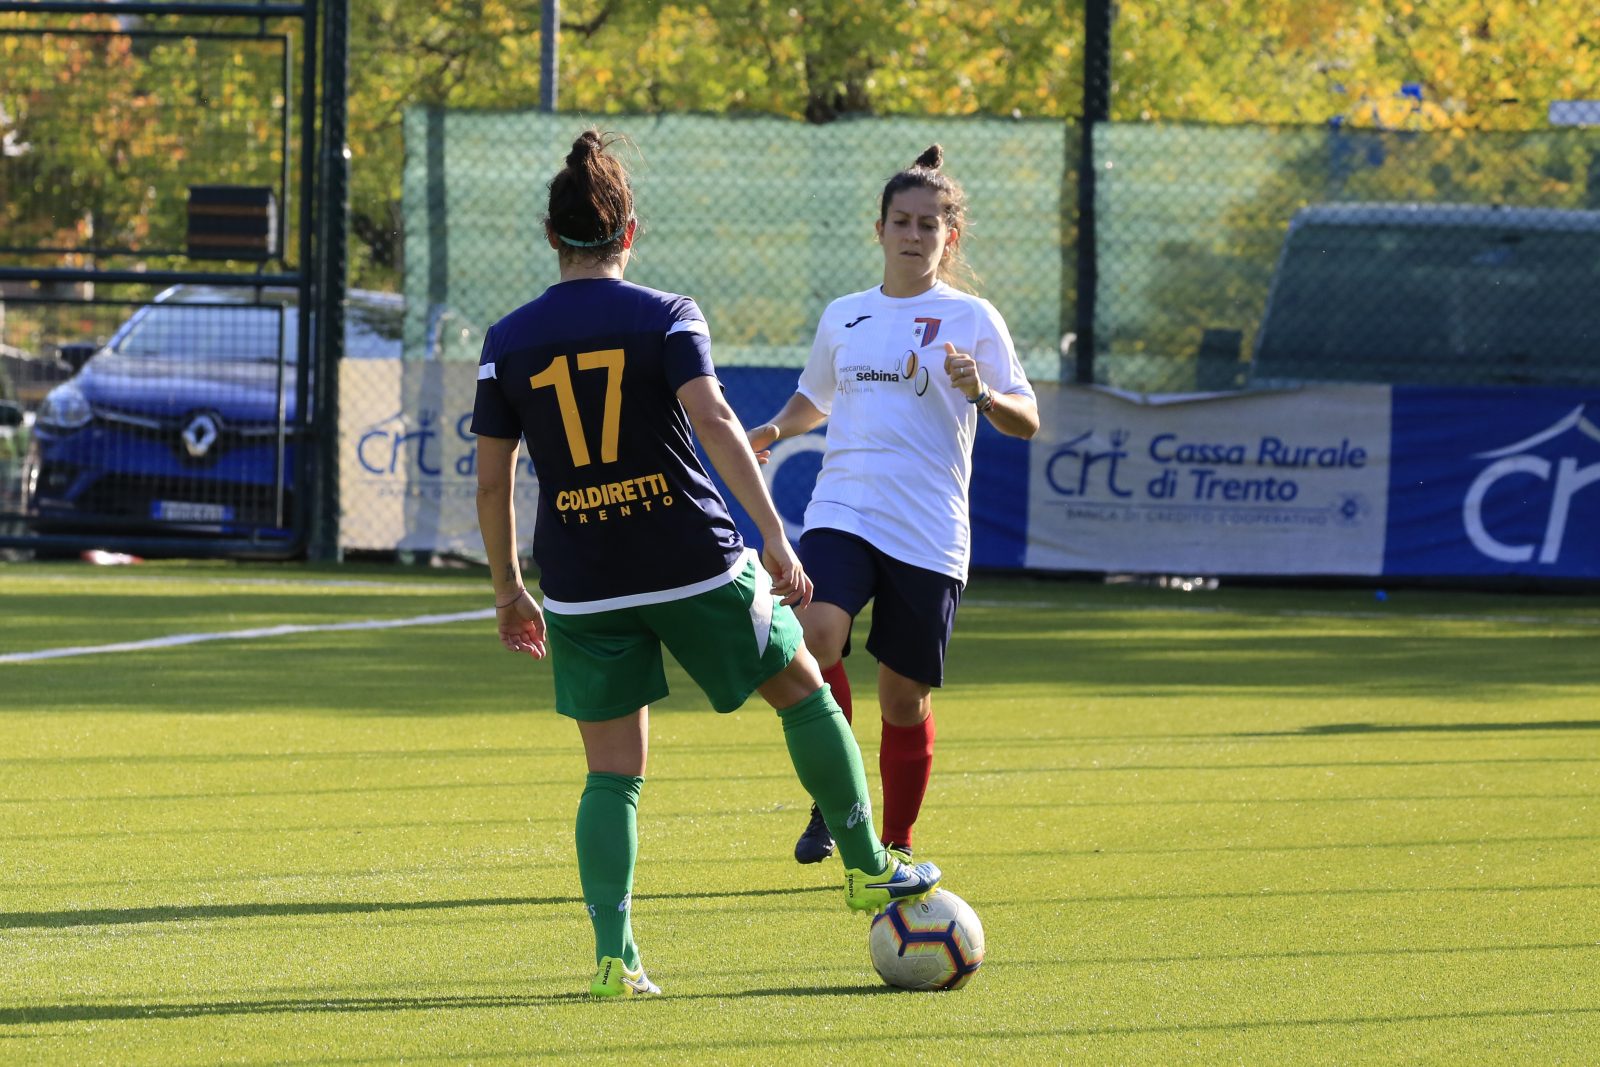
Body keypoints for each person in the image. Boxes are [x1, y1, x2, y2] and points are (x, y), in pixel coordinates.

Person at [471, 130, 942, 998]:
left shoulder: (508, 339)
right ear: (629, 231)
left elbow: (493, 474)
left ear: (553, 236)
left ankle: (616, 957)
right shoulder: (666, 313)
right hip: (691, 560)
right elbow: (717, 421)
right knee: (802, 687)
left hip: (581, 580)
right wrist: (770, 531)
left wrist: (509, 588)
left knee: (612, 773)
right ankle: (870, 865)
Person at [747, 144, 1040, 866]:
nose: (914, 235)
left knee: (901, 698)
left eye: (929, 225)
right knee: (813, 638)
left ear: (950, 236)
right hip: (842, 510)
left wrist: (983, 393)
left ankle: (899, 841)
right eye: (901, 221)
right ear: (877, 229)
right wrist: (776, 428)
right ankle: (835, 800)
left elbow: (1026, 419)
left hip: (929, 528)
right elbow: (813, 399)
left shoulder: (973, 319)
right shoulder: (845, 316)